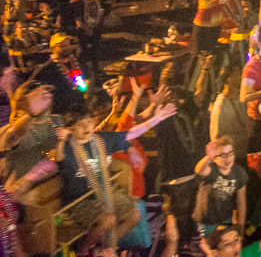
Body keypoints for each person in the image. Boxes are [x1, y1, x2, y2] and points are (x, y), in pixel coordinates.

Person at [55, 94, 177, 252]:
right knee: (109, 218)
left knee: (134, 215)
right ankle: (82, 251)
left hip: (104, 193)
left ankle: (104, 249)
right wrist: (60, 140)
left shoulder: (100, 140)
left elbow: (130, 134)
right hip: (79, 201)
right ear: (70, 128)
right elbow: (58, 157)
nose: (87, 128)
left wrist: (156, 119)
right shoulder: (68, 147)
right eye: (80, 125)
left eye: (89, 122)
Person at [193, 136, 248, 237]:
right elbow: (199, 170)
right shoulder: (211, 170)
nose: (227, 158)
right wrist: (208, 157)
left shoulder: (239, 172)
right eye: (222, 155)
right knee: (210, 249)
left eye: (230, 153)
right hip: (206, 222)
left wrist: (240, 229)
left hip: (226, 219)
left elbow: (241, 202)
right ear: (215, 157)